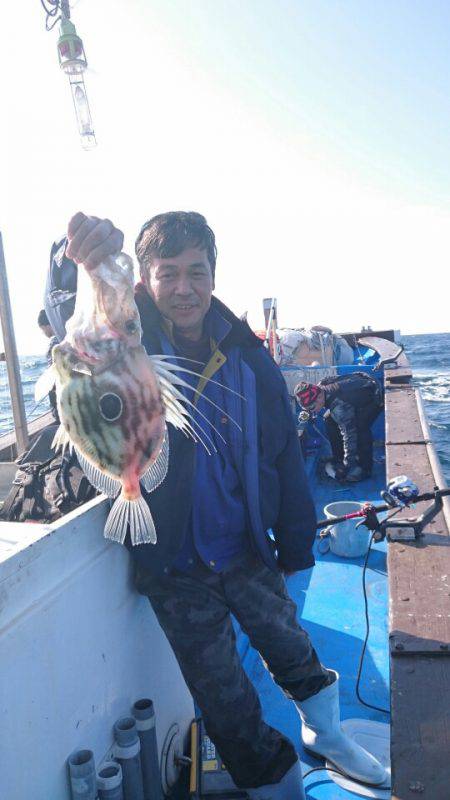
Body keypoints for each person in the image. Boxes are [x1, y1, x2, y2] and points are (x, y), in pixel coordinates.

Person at [44, 212, 387, 798]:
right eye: (167, 274)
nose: (184, 288)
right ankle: (274, 786)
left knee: (292, 647)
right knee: (222, 697)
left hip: (245, 546)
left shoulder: (247, 356)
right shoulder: (130, 339)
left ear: (213, 276)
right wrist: (71, 254)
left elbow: (282, 453)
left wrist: (298, 545)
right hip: (174, 566)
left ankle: (326, 734)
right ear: (145, 281)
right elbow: (72, 315)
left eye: (196, 273)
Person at [295, 373, 383, 482]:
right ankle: (338, 458)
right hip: (361, 384)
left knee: (360, 428)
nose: (311, 411)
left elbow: (349, 435)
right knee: (328, 419)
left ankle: (365, 469)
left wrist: (347, 465)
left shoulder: (339, 408)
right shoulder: (320, 386)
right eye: (307, 409)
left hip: (374, 394)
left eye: (312, 408)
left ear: (319, 397)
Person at [37, 308, 59, 421]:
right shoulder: (64, 336)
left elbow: (53, 375)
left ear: (46, 325)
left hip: (59, 397)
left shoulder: (53, 342)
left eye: (42, 329)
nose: (43, 332)